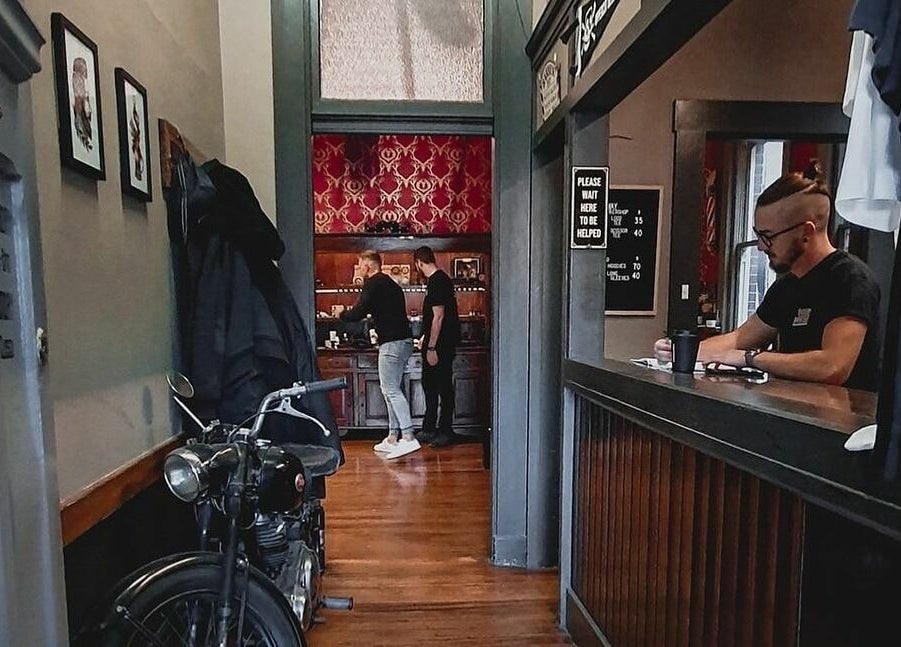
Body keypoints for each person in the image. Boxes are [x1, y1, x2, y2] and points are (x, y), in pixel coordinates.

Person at [655, 168, 881, 391]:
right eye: (758, 235)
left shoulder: (850, 280)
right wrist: (679, 351)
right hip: (792, 413)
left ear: (807, 232)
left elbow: (832, 367)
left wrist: (751, 358)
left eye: (768, 236)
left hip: (841, 421)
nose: (761, 246)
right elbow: (741, 338)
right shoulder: (787, 285)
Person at [341, 251, 420, 458]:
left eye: (360, 264)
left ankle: (408, 437)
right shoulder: (392, 284)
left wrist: (342, 315)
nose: (359, 268)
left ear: (368, 264)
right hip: (405, 341)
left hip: (391, 342)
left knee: (390, 389)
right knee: (392, 389)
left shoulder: (373, 283)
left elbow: (358, 312)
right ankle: (393, 437)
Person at [413, 246, 461, 447]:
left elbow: (438, 317)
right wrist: (425, 338)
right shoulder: (438, 281)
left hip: (441, 344)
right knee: (430, 385)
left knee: (442, 387)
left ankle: (445, 430)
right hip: (436, 341)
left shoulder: (437, 282)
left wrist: (432, 347)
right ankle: (430, 427)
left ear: (418, 262)